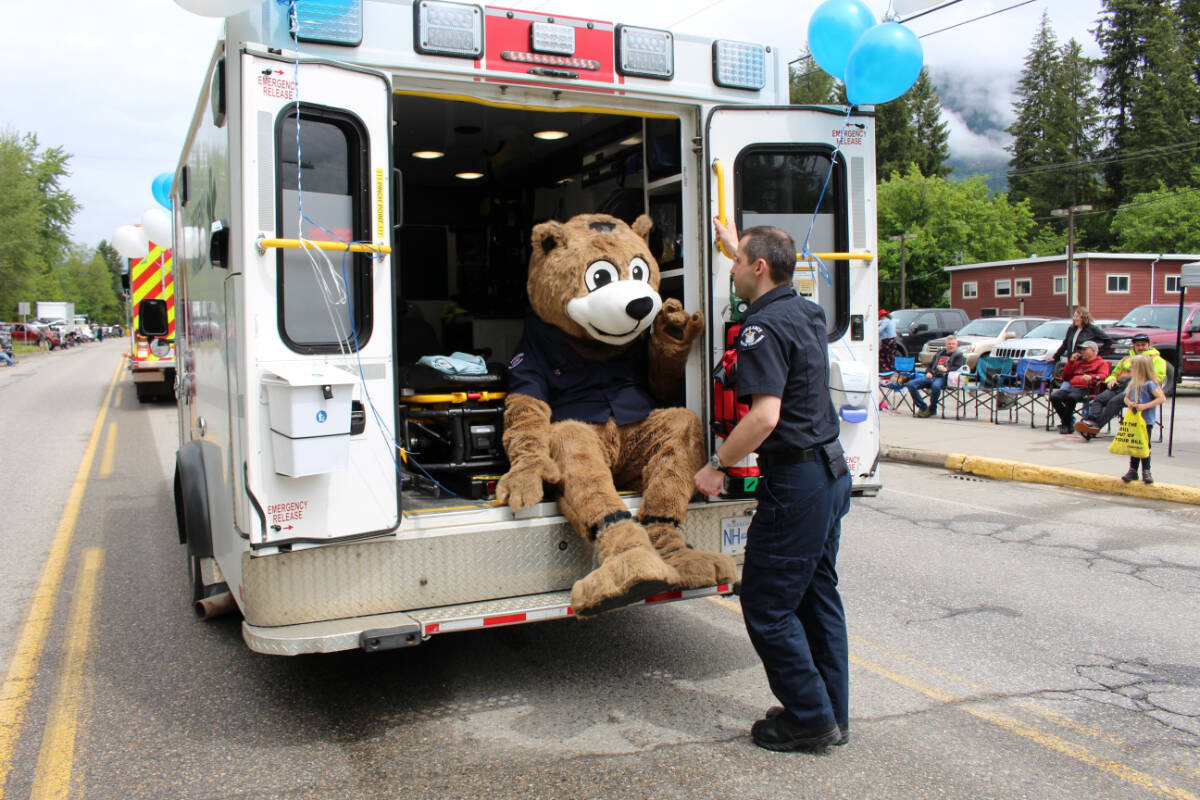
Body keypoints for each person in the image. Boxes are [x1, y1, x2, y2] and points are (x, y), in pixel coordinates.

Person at [695, 217, 851, 753]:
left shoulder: (759, 329)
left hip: (797, 480)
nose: (731, 269)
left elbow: (763, 418)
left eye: (737, 261)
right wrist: (732, 237)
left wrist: (716, 464)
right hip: (831, 473)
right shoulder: (806, 309)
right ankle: (831, 711)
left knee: (766, 606)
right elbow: (766, 267)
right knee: (816, 597)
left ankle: (808, 718)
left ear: (758, 267)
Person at [1074, 333, 1167, 440]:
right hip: (1119, 386)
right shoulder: (1126, 358)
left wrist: (1139, 380)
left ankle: (1094, 429)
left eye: (1143, 345)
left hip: (1137, 390)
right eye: (1138, 345)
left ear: (1148, 345)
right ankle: (1090, 422)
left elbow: (1158, 378)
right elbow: (1114, 373)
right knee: (1099, 399)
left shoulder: (1156, 359)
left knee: (1114, 402)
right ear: (1134, 346)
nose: (1140, 347)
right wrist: (1111, 380)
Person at [1118, 354, 1165, 485]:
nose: (1130, 368)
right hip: (1134, 420)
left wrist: (1145, 406)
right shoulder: (1133, 383)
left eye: (1133, 366)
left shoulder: (1150, 384)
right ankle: (1133, 470)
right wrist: (1130, 403)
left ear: (1140, 368)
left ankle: (1146, 470)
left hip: (1146, 420)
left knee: (1144, 445)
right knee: (1134, 444)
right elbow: (1125, 398)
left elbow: (1161, 398)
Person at [1049, 340, 1110, 433]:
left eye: (1085, 349)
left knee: (1071, 397)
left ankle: (1066, 425)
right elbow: (1065, 377)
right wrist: (1071, 362)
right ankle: (1068, 423)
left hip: (1088, 388)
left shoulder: (1101, 363)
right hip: (1073, 387)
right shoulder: (1079, 363)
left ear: (1093, 351)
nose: (1082, 352)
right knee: (1054, 396)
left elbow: (1104, 375)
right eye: (1082, 350)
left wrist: (1091, 377)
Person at [905, 334, 964, 418]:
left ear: (956, 345)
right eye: (949, 344)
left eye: (953, 344)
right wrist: (928, 372)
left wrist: (946, 369)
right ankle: (924, 408)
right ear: (946, 345)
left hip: (944, 378)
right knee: (911, 384)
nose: (951, 346)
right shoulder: (940, 353)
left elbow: (957, 368)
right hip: (932, 376)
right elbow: (930, 365)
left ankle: (932, 409)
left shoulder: (958, 355)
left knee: (936, 386)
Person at [878, 309, 896, 373]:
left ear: (881, 316)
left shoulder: (885, 321)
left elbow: (879, 330)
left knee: (883, 355)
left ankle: (885, 369)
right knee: (891, 355)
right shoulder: (891, 320)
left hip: (887, 341)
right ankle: (891, 369)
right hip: (893, 340)